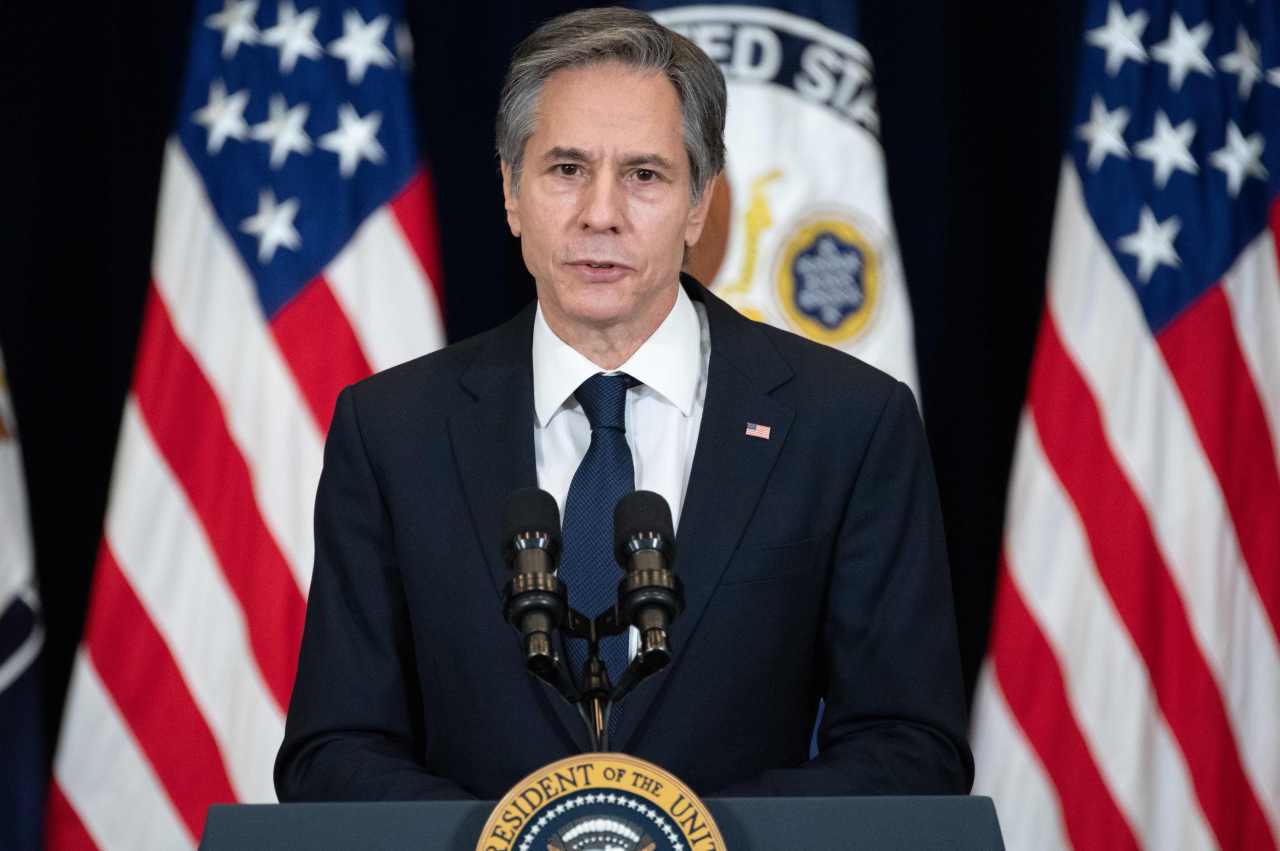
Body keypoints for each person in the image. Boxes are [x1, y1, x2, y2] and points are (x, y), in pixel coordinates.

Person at [275, 7, 973, 801]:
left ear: (701, 205)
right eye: (566, 169)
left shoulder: (848, 424)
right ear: (510, 192)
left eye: (644, 174)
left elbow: (912, 748)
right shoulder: (392, 430)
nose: (600, 213)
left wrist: (679, 832)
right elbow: (330, 752)